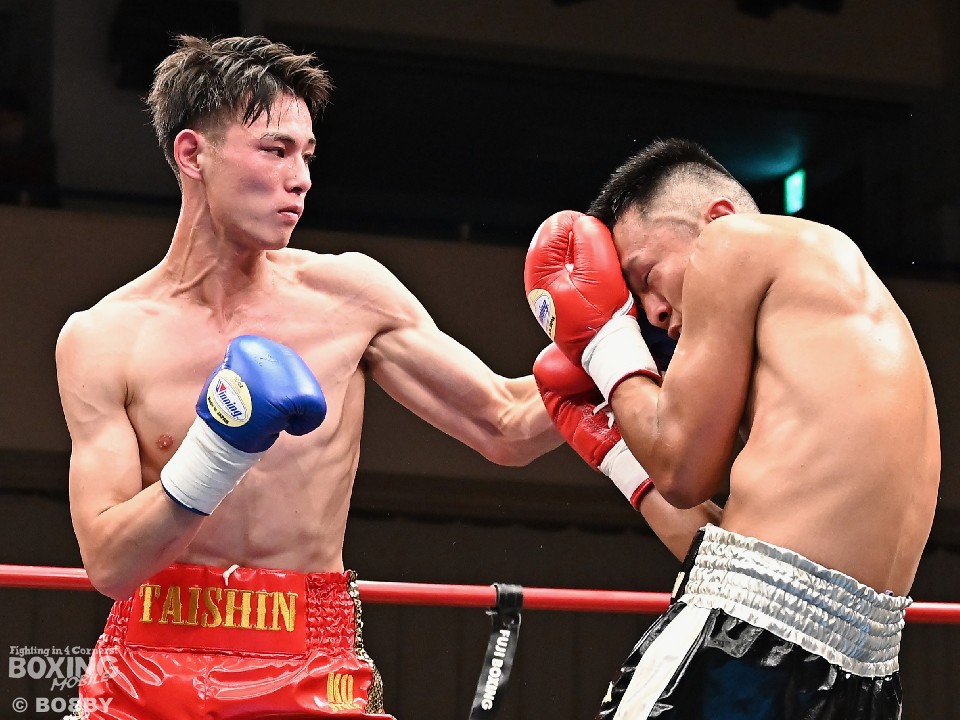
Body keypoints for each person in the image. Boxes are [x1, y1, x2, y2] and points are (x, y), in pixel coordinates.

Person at [54, 37, 712, 719]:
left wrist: (618, 344)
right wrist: (218, 449)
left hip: (309, 663)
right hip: (149, 668)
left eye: (307, 155)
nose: (301, 178)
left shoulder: (349, 295)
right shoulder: (102, 338)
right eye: (275, 151)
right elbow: (109, 564)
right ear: (193, 155)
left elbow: (504, 423)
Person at [523, 137, 940, 719]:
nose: (652, 313)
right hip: (853, 673)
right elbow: (729, 557)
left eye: (646, 276)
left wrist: (604, 345)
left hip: (771, 648)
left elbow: (681, 472)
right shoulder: (825, 327)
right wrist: (618, 455)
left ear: (716, 217)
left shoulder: (732, 241)